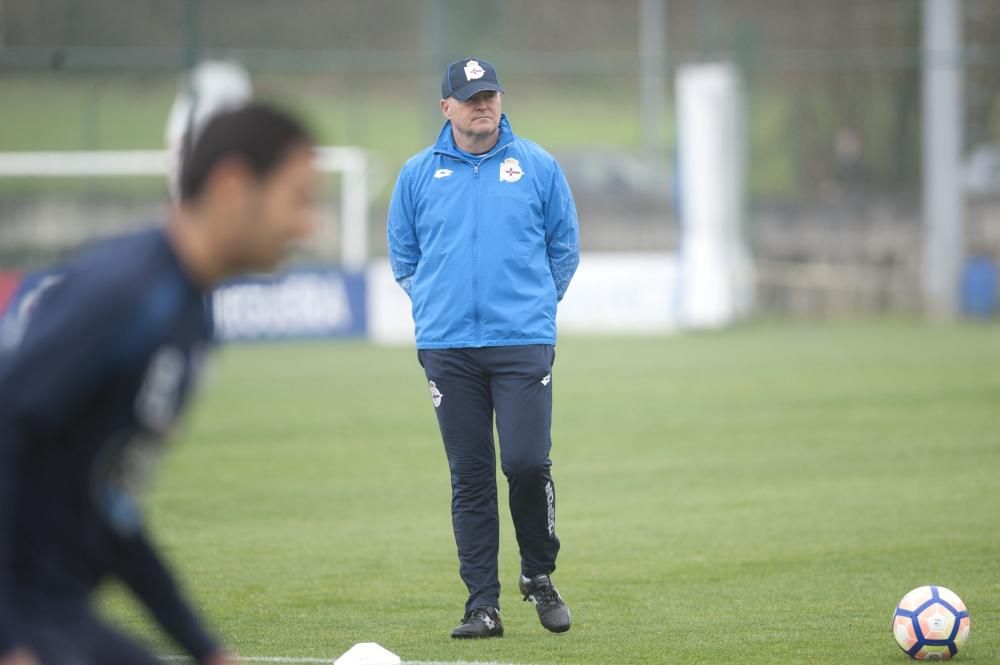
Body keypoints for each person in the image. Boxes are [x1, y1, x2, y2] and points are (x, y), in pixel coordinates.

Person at [0, 103, 317, 665]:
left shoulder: (191, 318)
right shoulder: (125, 296)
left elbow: (110, 506)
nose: (307, 225)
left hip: (58, 611)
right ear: (233, 186)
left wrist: (206, 649)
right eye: (297, 200)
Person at [387, 57, 580, 639]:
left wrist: (537, 310)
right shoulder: (417, 175)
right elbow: (405, 257)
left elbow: (563, 248)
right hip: (449, 349)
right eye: (470, 97)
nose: (482, 104)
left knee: (525, 464)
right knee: (469, 476)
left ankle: (538, 574)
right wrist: (433, 308)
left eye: (489, 94)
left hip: (522, 342)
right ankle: (481, 605)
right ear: (446, 108)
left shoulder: (538, 166)